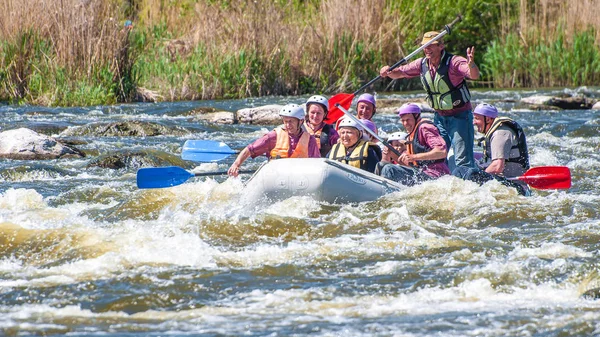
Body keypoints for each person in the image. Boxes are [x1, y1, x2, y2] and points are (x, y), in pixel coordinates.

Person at [379, 30, 480, 170]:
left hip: (460, 117)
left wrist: (472, 64)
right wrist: (388, 72)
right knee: (435, 156)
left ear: (441, 46)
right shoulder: (421, 64)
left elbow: (473, 75)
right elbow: (400, 72)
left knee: (462, 160)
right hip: (439, 117)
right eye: (424, 46)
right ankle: (438, 181)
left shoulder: (454, 62)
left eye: (431, 45)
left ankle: (468, 184)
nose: (427, 49)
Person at [452, 103, 531, 196]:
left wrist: (479, 177)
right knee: (460, 170)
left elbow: (497, 167)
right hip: (502, 181)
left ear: (488, 119)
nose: (473, 122)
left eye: (477, 118)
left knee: (471, 174)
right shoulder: (495, 131)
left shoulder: (500, 134)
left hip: (515, 186)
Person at [228, 104, 321, 177]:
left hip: (298, 178)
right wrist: (236, 165)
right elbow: (250, 149)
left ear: (301, 121)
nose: (288, 125)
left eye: (291, 121)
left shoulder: (310, 140)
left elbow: (316, 163)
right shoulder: (273, 136)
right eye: (285, 121)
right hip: (276, 177)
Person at [378, 103, 450, 186]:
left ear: (416, 116)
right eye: (403, 120)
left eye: (408, 120)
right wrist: (392, 155)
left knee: (389, 169)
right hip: (421, 174)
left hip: (435, 176)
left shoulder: (425, 127)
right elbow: (412, 166)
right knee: (384, 166)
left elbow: (441, 152)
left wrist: (414, 157)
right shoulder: (411, 134)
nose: (405, 124)